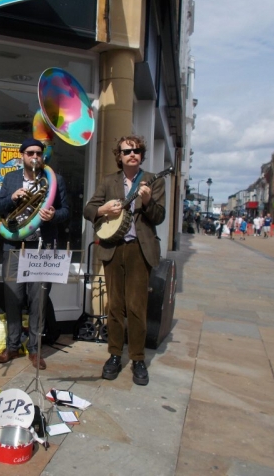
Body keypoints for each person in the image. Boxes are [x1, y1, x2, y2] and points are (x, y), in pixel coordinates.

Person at [83, 135, 166, 386]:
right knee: (115, 305)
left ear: (141, 154)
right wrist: (103, 210)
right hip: (113, 248)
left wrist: (148, 200)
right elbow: (89, 209)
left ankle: (138, 358)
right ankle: (115, 355)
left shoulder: (154, 180)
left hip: (139, 250)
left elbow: (159, 216)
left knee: (137, 306)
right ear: (119, 155)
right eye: (127, 150)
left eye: (137, 150)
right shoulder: (109, 181)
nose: (132, 153)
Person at [0, 138, 69, 370]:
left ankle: (35, 349)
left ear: (43, 156)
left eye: (38, 153)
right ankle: (13, 346)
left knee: (38, 300)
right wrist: (11, 199)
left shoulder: (56, 180)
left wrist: (54, 215)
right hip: (15, 247)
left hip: (41, 248)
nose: (35, 157)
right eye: (30, 153)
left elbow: (67, 213)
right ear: (22, 156)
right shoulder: (11, 178)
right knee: (12, 299)